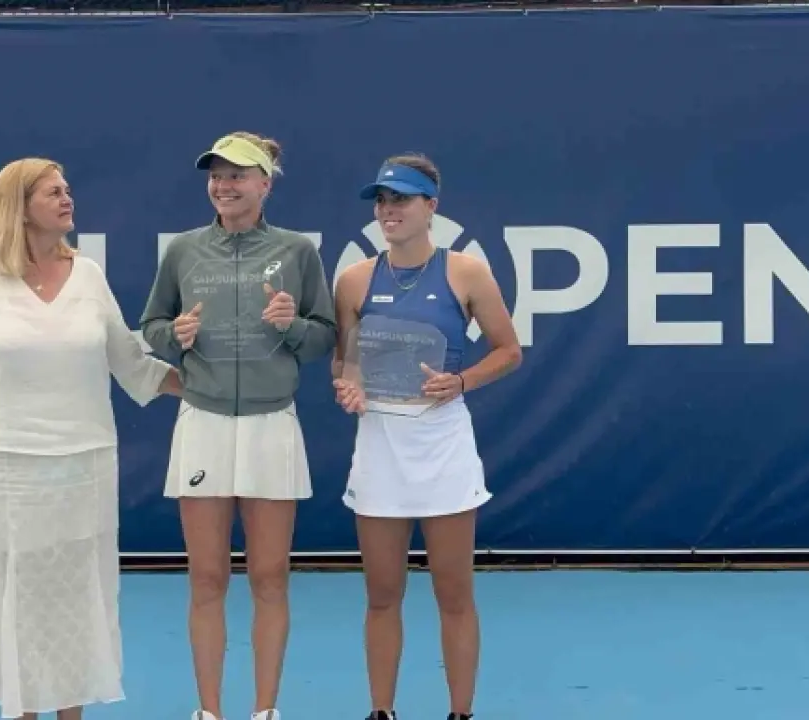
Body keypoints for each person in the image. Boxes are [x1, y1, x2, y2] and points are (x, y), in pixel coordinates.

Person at [0, 157, 181, 720]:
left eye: (68, 190)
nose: (68, 200)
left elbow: (132, 364)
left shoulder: (88, 275)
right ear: (19, 207)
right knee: (21, 599)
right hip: (7, 468)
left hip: (85, 466)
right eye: (53, 193)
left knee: (77, 599)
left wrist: (217, 386)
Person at [139, 132, 337, 720]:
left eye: (237, 175)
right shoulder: (183, 251)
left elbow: (324, 337)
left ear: (264, 184)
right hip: (201, 422)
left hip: (272, 423)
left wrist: (292, 325)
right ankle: (209, 711)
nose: (224, 186)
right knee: (207, 577)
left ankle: (265, 709)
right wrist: (173, 335)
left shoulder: (297, 251)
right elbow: (151, 326)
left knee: (270, 576)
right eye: (217, 176)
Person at [332, 154, 522, 720]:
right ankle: (382, 711)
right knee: (381, 594)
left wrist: (460, 381)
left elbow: (509, 351)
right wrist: (349, 387)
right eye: (382, 201)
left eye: (401, 200)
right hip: (379, 446)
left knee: (453, 593)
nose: (388, 210)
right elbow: (346, 360)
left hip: (443, 444)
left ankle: (460, 713)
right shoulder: (353, 280)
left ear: (431, 206)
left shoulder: (467, 273)